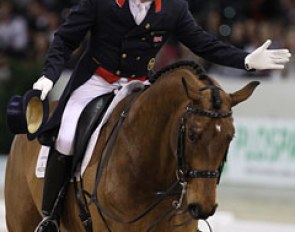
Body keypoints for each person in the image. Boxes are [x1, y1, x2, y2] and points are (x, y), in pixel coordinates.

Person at [32, 0, 291, 231]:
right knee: (65, 138)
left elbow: (203, 43)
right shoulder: (99, 3)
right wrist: (49, 75)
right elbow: (65, 39)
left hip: (140, 83)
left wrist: (245, 60)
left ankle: (175, 212)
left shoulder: (173, 7)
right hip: (97, 80)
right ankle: (51, 217)